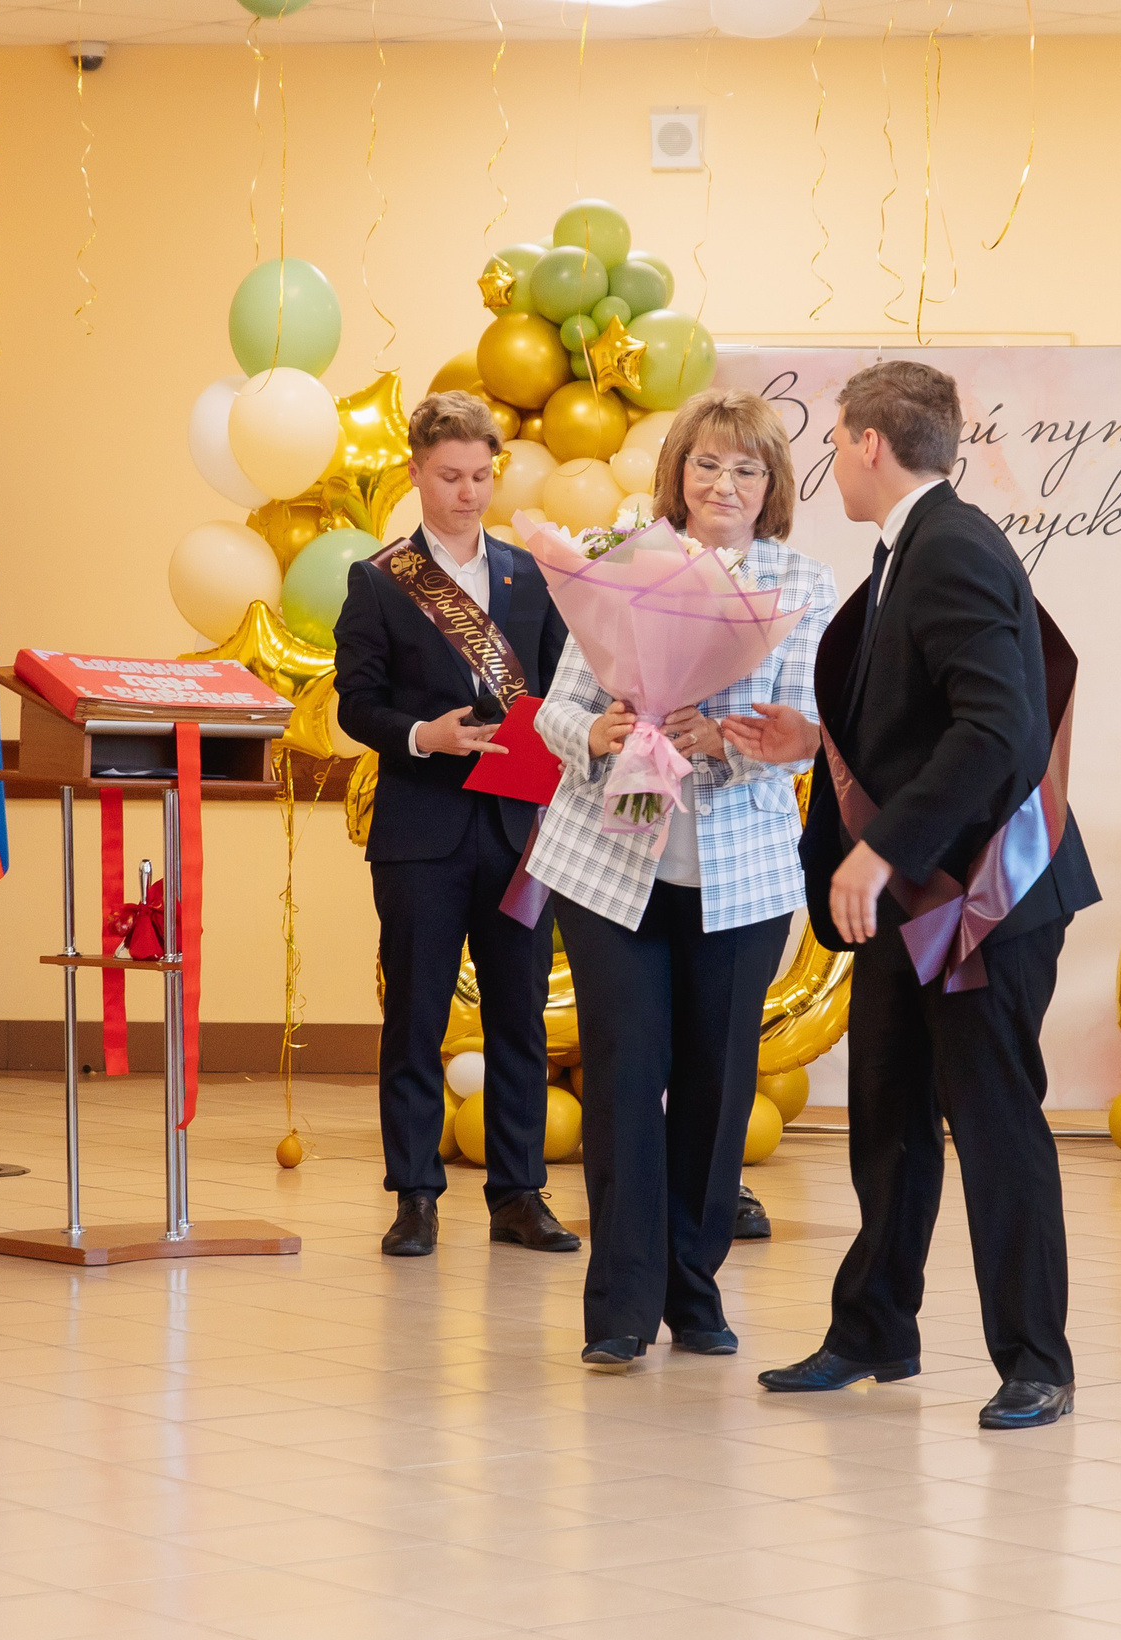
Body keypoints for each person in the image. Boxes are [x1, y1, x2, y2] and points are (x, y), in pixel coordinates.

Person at [725, 360, 1099, 1431]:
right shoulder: (914, 547)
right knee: (887, 1117)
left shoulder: (952, 550)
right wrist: (815, 742)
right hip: (915, 894)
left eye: (835, 439)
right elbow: (926, 718)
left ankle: (1037, 1360)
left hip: (981, 901)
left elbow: (998, 732)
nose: (831, 459)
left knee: (993, 1124)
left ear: (870, 443)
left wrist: (880, 849)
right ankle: (873, 1330)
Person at [529, 391, 834, 1367]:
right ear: (678, 473)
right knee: (624, 1076)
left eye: (746, 469)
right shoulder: (625, 561)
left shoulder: (802, 583)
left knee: (717, 1085)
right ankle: (619, 1305)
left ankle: (693, 1288)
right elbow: (553, 710)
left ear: (771, 486)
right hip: (611, 864)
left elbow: (805, 732)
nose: (723, 484)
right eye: (706, 464)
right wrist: (599, 730)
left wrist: (725, 743)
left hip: (740, 876)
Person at [334, 391, 578, 1259]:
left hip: (518, 831)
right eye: (448, 477)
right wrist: (420, 735)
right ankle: (414, 1195)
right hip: (421, 831)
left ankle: (518, 1193)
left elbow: (559, 688)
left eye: (480, 475)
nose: (467, 493)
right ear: (415, 472)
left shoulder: (530, 576)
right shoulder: (379, 580)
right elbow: (355, 703)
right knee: (416, 1017)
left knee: (519, 1016)